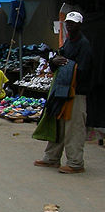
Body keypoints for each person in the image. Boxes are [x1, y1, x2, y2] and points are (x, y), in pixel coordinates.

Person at [33, 11, 94, 174]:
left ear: (79, 25)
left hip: (76, 92)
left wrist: (65, 63)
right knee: (57, 124)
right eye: (67, 22)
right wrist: (54, 61)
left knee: (73, 128)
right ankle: (51, 158)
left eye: (72, 23)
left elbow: (83, 70)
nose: (69, 25)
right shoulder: (68, 42)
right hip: (62, 90)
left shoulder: (84, 45)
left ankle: (75, 163)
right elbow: (58, 63)